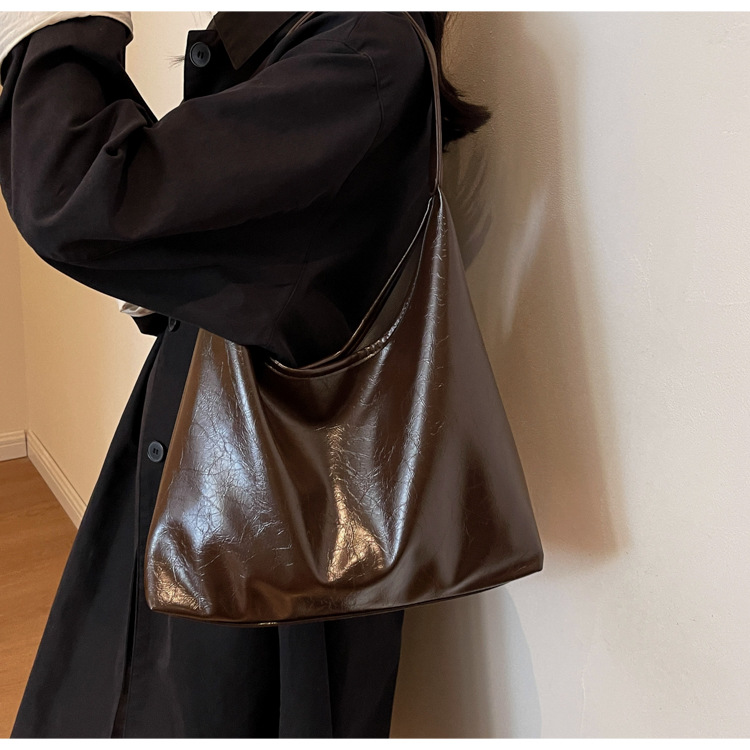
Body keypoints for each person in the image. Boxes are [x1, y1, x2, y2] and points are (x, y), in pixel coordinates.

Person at [0, 11, 492, 738]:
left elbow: (80, 197)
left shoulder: (362, 56)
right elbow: (218, 240)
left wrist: (55, 20)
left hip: (272, 529)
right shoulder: (324, 52)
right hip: (226, 493)